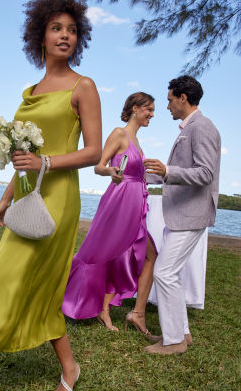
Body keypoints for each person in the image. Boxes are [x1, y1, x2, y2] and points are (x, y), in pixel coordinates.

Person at [0, 0, 101, 390]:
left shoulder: (83, 87)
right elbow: (23, 158)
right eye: (56, 29)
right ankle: (69, 367)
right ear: (40, 36)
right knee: (6, 278)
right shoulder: (30, 92)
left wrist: (47, 162)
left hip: (59, 198)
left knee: (29, 279)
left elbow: (94, 152)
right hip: (27, 195)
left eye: (71, 30)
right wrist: (3, 199)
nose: (64, 36)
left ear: (78, 38)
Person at [62, 92, 159, 340]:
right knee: (105, 251)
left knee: (126, 253)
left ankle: (104, 309)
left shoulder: (137, 141)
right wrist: (111, 172)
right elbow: (99, 166)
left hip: (136, 202)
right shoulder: (119, 134)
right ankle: (82, 301)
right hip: (119, 200)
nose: (151, 115)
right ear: (135, 108)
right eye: (149, 110)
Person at [143, 75, 221, 354]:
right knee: (170, 273)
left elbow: (205, 174)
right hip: (183, 214)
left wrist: (167, 171)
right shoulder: (189, 128)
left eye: (169, 100)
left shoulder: (202, 127)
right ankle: (182, 334)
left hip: (192, 214)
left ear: (183, 98)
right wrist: (144, 175)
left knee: (164, 273)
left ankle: (174, 341)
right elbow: (178, 173)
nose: (167, 107)